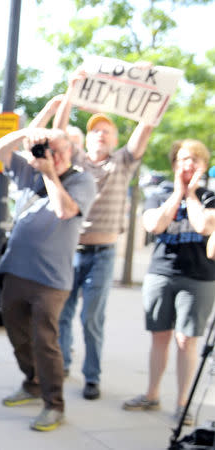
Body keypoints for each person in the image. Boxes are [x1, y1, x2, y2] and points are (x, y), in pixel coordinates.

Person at [34, 69, 154, 400]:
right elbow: (58, 129)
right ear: (86, 140)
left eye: (106, 131)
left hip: (102, 253)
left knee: (92, 319)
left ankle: (92, 376)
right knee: (65, 313)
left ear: (115, 140)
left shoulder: (123, 162)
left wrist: (152, 99)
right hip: (72, 250)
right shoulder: (80, 164)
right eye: (95, 131)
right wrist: (72, 92)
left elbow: (145, 128)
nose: (100, 135)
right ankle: (65, 364)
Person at [0, 127, 96, 431]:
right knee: (16, 335)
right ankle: (32, 383)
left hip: (51, 279)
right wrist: (30, 131)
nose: (56, 156)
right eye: (50, 149)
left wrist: (50, 173)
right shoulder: (30, 171)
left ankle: (54, 405)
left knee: (45, 341)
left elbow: (65, 211)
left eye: (62, 150)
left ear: (71, 152)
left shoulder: (81, 180)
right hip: (15, 270)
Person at [123, 139, 215, 426]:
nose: (189, 165)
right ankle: (152, 393)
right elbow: (154, 225)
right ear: (174, 163)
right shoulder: (158, 193)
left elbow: (204, 227)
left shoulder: (210, 197)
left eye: (196, 160)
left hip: (199, 277)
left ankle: (182, 402)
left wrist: (191, 195)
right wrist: (177, 192)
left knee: (186, 340)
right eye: (185, 159)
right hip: (162, 272)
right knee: (159, 337)